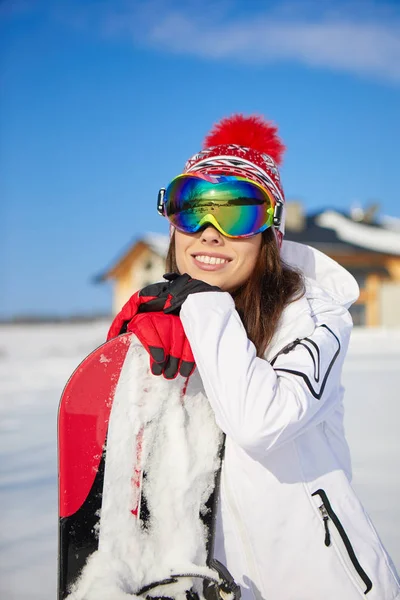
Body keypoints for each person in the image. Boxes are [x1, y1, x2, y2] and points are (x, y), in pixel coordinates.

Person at [108, 114, 400, 599]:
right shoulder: (174, 326)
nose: (208, 232)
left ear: (270, 233)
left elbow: (260, 423)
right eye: (191, 208)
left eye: (237, 215)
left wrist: (201, 300)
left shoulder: (315, 319)